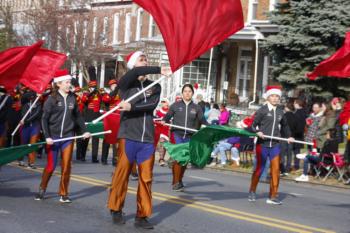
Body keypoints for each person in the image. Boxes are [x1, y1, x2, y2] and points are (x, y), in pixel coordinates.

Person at [107, 51, 171, 229]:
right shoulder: (126, 83)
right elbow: (134, 73)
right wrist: (160, 68)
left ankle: (142, 215)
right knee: (122, 174)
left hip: (147, 138)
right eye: (141, 60)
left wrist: (131, 106)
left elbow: (151, 106)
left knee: (146, 178)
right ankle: (116, 208)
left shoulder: (155, 85)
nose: (145, 62)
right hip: (128, 135)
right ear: (134, 64)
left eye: (146, 60)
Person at [35, 69, 90, 203]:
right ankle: (42, 188)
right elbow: (44, 119)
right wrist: (47, 136)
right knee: (51, 166)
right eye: (67, 82)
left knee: (66, 166)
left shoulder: (72, 97)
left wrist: (85, 131)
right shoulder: (51, 99)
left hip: (68, 136)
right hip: (53, 138)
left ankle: (63, 193)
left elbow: (78, 116)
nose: (69, 84)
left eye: (69, 82)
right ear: (59, 84)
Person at [248, 86, 294, 205]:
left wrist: (289, 136)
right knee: (259, 169)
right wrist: (257, 132)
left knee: (276, 170)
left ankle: (273, 196)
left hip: (275, 145)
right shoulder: (262, 110)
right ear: (268, 97)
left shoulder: (280, 111)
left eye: (277, 96)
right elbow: (252, 125)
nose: (275, 98)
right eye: (273, 96)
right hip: (262, 145)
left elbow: (285, 126)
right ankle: (252, 190)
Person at [162, 84, 207, 192]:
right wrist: (165, 120)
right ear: (182, 93)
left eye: (189, 91)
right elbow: (168, 116)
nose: (187, 93)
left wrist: (208, 126)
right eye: (185, 91)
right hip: (177, 134)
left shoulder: (197, 108)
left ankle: (178, 180)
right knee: (179, 158)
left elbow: (203, 120)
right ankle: (176, 182)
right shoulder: (175, 105)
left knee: (184, 161)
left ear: (192, 93)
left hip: (189, 136)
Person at [19, 90, 42, 168]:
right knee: (24, 144)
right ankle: (21, 160)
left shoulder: (38, 103)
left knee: (32, 145)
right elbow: (22, 113)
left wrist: (26, 121)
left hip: (35, 126)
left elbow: (36, 114)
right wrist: (23, 120)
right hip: (25, 127)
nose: (31, 97)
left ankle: (31, 162)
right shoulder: (25, 104)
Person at [293, 99, 308, 170]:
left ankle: (296, 166)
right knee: (297, 151)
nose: (293, 104)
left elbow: (296, 125)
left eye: (294, 103)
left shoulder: (297, 113)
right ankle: (296, 165)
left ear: (297, 104)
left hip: (296, 134)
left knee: (296, 151)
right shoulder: (304, 112)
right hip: (300, 134)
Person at [155, 98, 170, 166]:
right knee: (161, 143)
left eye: (164, 102)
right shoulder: (158, 111)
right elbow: (155, 119)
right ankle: (161, 159)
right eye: (162, 102)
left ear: (167, 103)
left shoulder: (170, 111)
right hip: (159, 129)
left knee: (165, 145)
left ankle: (162, 158)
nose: (162, 103)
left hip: (167, 130)